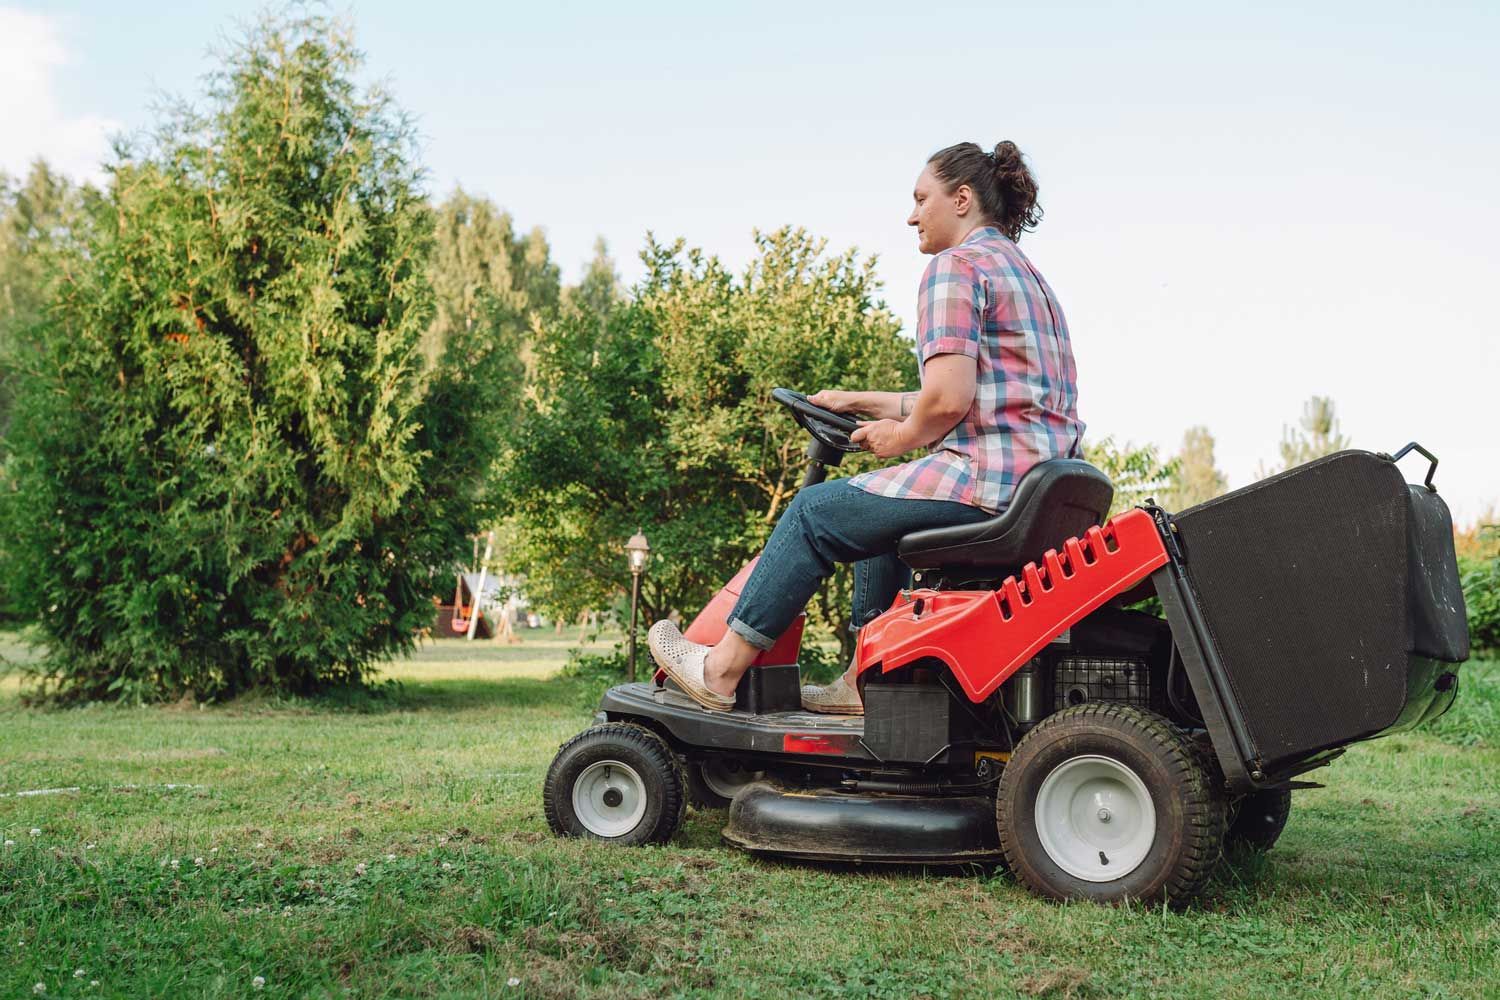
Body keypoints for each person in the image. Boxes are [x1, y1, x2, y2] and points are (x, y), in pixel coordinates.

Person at [647, 141, 1085, 714]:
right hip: (1034, 486)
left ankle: (720, 670)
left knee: (815, 513)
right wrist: (862, 402)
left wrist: (899, 438)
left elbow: (948, 401)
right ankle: (863, 679)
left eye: (920, 198)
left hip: (986, 483)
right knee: (881, 521)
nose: (911, 215)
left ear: (960, 199)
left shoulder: (954, 268)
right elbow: (977, 396)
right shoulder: (1029, 279)